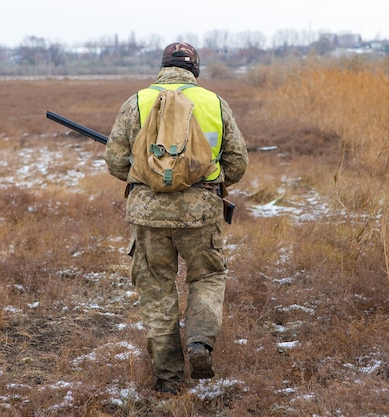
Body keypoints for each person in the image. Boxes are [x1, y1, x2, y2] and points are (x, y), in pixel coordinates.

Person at [103, 42, 248, 394]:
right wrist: (205, 182)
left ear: (162, 66)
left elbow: (115, 161)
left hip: (148, 217)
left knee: (156, 290)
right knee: (208, 276)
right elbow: (237, 164)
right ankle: (200, 341)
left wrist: (151, 179)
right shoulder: (213, 103)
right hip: (200, 213)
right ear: (194, 70)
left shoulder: (136, 102)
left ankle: (168, 380)